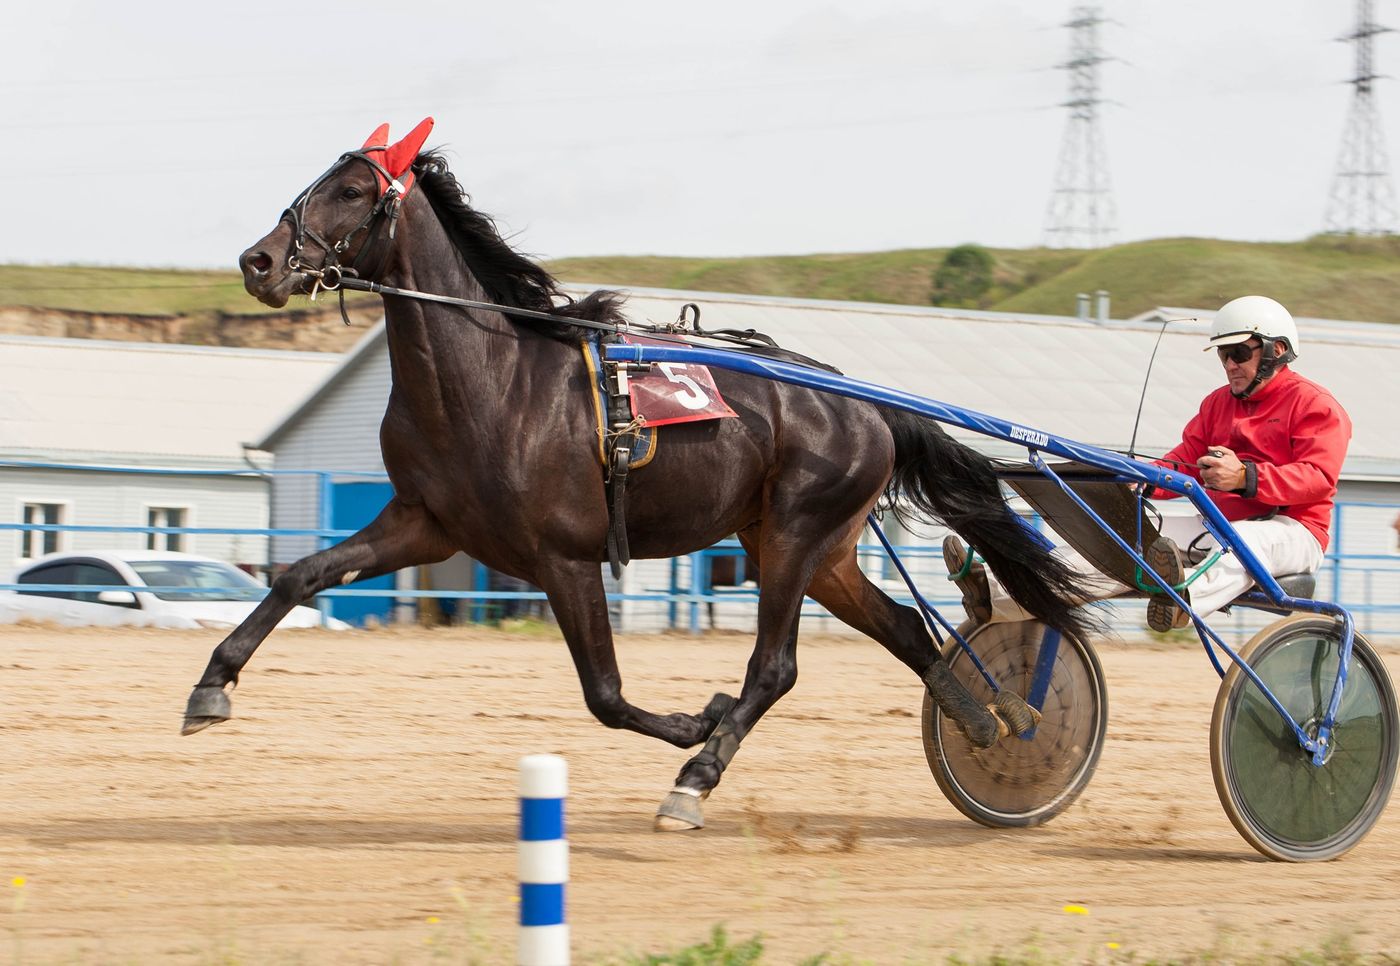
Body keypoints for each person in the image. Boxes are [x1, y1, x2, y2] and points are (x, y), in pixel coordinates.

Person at [945, 295, 1352, 632]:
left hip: (1292, 532)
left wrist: (1245, 477)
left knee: (1243, 544)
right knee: (1119, 541)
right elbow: (1182, 462)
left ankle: (1182, 600)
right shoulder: (1216, 404)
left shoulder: (1316, 405)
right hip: (1218, 526)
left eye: (1239, 352)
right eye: (1223, 354)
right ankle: (997, 596)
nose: (1229, 364)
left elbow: (1318, 479)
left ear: (1276, 350)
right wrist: (1140, 481)